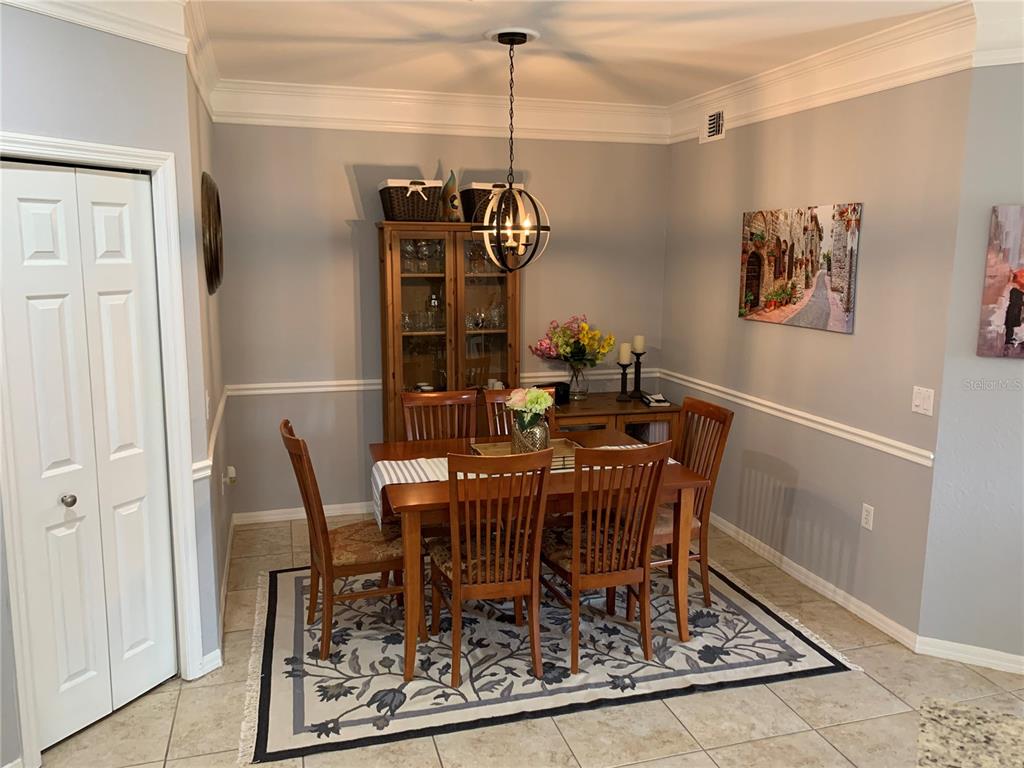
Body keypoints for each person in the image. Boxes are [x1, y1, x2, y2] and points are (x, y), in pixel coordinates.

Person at [1004, 268, 1024, 353]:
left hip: (1014, 310)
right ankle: (1009, 342)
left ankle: (1010, 342)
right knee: (1010, 325)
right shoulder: (1015, 290)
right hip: (1014, 311)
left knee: (1011, 325)